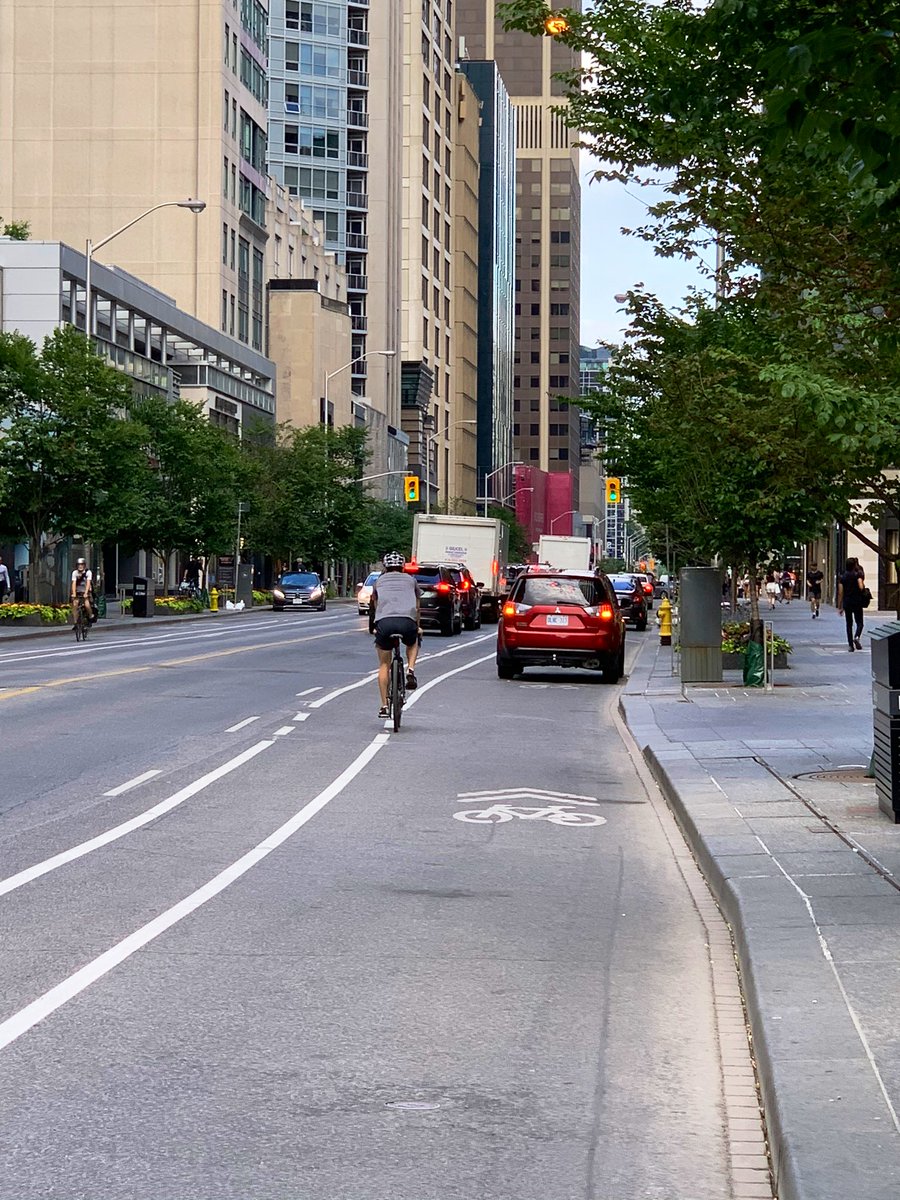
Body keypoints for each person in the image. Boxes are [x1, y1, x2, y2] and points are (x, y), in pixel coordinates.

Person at [371, 551, 422, 719]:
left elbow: (376, 605)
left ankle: (384, 705)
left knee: (384, 664)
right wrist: (417, 626)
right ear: (402, 566)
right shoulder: (411, 580)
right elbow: (417, 605)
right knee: (413, 641)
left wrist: (375, 626)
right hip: (407, 621)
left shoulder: (378, 582)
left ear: (385, 566)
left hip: (385, 623)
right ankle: (411, 670)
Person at [837, 556, 866, 651]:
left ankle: (850, 645)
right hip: (857, 601)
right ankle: (857, 637)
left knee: (849, 624)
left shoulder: (843, 577)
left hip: (847, 602)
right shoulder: (857, 575)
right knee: (860, 622)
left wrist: (840, 606)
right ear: (854, 565)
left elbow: (840, 592)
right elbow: (861, 586)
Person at [70, 557, 94, 627]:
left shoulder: (88, 572)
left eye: (82, 564)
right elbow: (73, 583)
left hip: (86, 590)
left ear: (84, 565)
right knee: (75, 604)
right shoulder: (75, 572)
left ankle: (90, 615)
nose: (80, 566)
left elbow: (88, 583)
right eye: (79, 564)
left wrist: (86, 593)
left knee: (86, 603)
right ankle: (75, 622)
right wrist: (74, 593)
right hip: (78, 590)